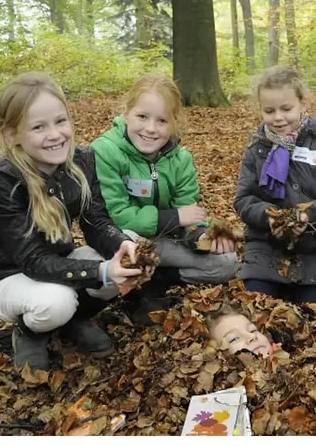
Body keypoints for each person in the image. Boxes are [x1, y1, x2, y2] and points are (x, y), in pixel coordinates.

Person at [0, 72, 153, 371]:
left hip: (58, 261)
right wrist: (101, 271)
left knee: (123, 253)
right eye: (38, 127)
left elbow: (97, 222)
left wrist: (125, 246)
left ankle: (75, 320)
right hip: (11, 276)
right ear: (12, 135)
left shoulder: (82, 161)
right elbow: (32, 260)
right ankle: (30, 331)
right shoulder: (4, 179)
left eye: (61, 121)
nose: (56, 134)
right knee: (56, 301)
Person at [91, 74, 238, 325]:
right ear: (126, 114)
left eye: (161, 121)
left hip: (163, 243)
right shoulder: (105, 152)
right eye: (142, 117)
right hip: (122, 241)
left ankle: (155, 282)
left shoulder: (181, 160)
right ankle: (134, 293)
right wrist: (173, 217)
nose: (150, 129)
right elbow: (113, 215)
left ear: (173, 124)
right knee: (132, 243)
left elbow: (188, 212)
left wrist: (200, 238)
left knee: (226, 263)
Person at [234, 66, 316, 306]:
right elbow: (243, 199)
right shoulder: (256, 148)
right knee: (257, 307)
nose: (278, 117)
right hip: (265, 247)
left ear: (302, 104)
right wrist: (269, 217)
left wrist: (307, 215)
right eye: (269, 110)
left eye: (286, 109)